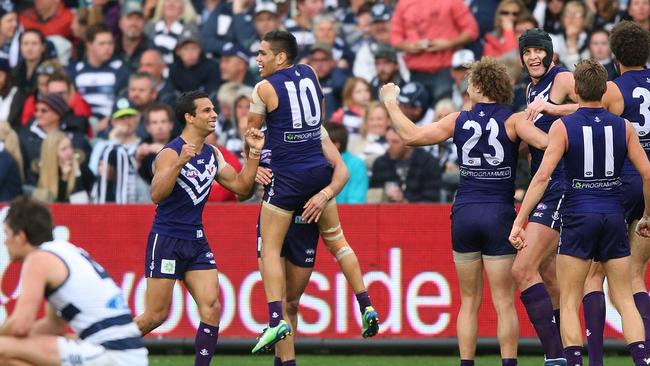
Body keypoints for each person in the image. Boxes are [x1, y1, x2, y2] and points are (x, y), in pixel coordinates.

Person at [380, 56, 549, 366]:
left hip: (465, 213)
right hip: (499, 213)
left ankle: (466, 363)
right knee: (503, 304)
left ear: (480, 85)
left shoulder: (458, 119)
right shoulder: (512, 120)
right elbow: (549, 144)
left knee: (469, 302)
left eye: (470, 81)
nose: (466, 86)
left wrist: (390, 103)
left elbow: (411, 136)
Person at [509, 59, 650, 366]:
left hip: (578, 214)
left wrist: (520, 221)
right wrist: (648, 215)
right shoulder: (624, 126)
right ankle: (643, 361)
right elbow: (648, 173)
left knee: (571, 300)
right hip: (613, 214)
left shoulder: (563, 126)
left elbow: (543, 176)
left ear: (576, 89)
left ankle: (574, 361)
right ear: (604, 89)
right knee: (625, 299)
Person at [247, 30, 379, 354]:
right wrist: (324, 193)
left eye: (263, 53)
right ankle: (366, 304)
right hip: (317, 179)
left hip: (289, 183)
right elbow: (317, 117)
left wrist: (252, 157)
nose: (258, 59)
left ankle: (274, 318)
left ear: (280, 57)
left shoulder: (264, 89)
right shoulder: (310, 75)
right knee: (338, 244)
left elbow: (250, 130)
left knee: (270, 252)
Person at [133, 90, 264, 366]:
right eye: (206, 110)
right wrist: (179, 164)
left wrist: (254, 154)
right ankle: (103, 347)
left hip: (195, 240)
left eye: (213, 109)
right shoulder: (169, 153)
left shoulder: (213, 154)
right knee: (155, 316)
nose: (214, 114)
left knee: (212, 307)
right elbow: (156, 194)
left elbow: (242, 189)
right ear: (189, 117)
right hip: (167, 239)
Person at [0, 196, 148, 365]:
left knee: (2, 348)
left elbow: (20, 326)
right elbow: (53, 326)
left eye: (7, 233)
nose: (5, 242)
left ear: (21, 236)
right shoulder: (63, 250)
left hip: (113, 353)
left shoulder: (37, 260)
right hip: (128, 353)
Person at [581, 21, 650, 366]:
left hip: (621, 185)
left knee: (594, 275)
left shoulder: (614, 89)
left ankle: (595, 361)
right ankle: (646, 356)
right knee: (636, 274)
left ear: (616, 54)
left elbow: (587, 114)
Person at [510, 28, 580, 364]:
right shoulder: (529, 88)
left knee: (522, 270)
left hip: (562, 184)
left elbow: (597, 105)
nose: (534, 57)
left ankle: (556, 357)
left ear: (550, 54)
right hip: (544, 183)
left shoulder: (563, 78)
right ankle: (568, 353)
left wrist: (553, 109)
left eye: (539, 51)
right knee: (550, 279)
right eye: (528, 52)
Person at [33, 131, 94, 203]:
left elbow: (82, 202)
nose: (70, 152)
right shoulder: (37, 171)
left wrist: (77, 174)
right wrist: (64, 179)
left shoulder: (80, 166)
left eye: (70, 147)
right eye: (64, 149)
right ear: (52, 153)